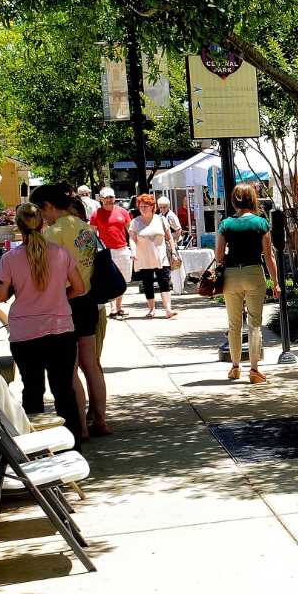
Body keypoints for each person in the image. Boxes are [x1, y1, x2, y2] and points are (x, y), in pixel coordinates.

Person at [0, 201, 86, 442]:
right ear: (43, 223)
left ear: (19, 227)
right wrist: (58, 296)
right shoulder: (60, 253)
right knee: (64, 390)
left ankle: (37, 447)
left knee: (32, 391)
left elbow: (0, 296)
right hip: (60, 329)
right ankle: (73, 444)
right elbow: (80, 287)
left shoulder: (10, 259)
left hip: (25, 332)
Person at [31, 185, 112, 436]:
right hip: (88, 299)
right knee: (91, 364)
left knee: (71, 367)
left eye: (40, 210)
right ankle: (100, 420)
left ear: (47, 205)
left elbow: (48, 274)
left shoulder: (52, 234)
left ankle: (80, 426)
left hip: (66, 301)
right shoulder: (86, 229)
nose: (40, 216)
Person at [216, 183, 278, 382]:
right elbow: (269, 256)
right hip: (253, 272)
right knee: (255, 323)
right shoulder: (261, 223)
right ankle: (254, 369)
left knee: (234, 324)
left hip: (232, 274)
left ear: (234, 200)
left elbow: (218, 256)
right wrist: (275, 282)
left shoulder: (226, 224)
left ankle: (235, 367)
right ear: (253, 199)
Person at [130, 192, 179, 319]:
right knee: (147, 284)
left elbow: (169, 238)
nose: (143, 209)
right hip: (144, 257)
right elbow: (132, 239)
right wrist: (133, 252)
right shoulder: (135, 222)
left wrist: (173, 252)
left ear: (152, 206)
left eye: (145, 206)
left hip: (161, 257)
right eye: (140, 206)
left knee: (165, 282)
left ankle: (168, 309)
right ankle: (151, 309)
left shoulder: (161, 219)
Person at [90, 188, 134, 318]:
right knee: (109, 279)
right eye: (106, 197)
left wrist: (132, 248)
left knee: (123, 279)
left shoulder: (123, 212)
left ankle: (119, 307)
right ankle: (113, 308)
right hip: (106, 251)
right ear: (101, 199)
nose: (109, 200)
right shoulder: (96, 214)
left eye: (111, 197)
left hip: (122, 249)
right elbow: (92, 234)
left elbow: (130, 231)